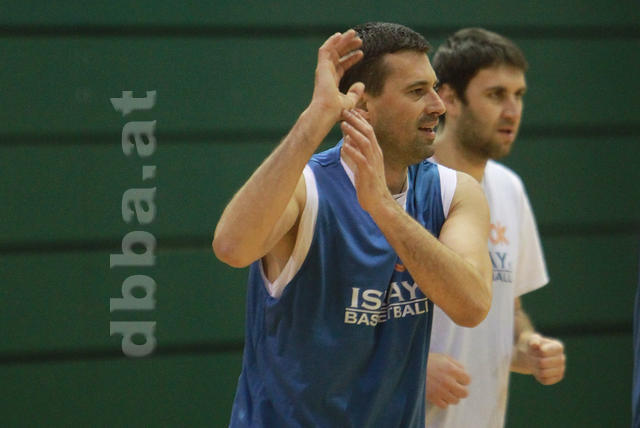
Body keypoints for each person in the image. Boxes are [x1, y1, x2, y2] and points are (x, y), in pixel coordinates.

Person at [213, 22, 492, 427]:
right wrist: (317, 118)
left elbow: (472, 305)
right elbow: (231, 247)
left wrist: (382, 207)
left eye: (434, 87)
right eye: (417, 91)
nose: (438, 105)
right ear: (361, 104)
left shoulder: (454, 192)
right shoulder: (307, 189)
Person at [425, 28, 566, 428]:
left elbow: (510, 309)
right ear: (449, 99)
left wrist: (527, 345)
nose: (512, 110)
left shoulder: (509, 188)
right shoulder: (398, 187)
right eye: (496, 95)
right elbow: (345, 317)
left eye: (518, 95)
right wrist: (413, 367)